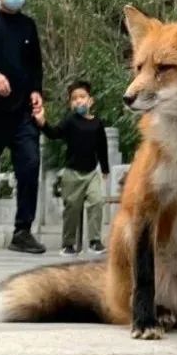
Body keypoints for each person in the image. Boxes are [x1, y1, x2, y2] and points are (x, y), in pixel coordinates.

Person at [0, 0, 47, 255]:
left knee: (30, 165)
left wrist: (36, 91)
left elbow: (35, 65)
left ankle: (23, 231)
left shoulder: (28, 26)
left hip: (22, 112)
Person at [33, 79, 110, 257]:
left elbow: (102, 147)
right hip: (72, 173)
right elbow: (54, 133)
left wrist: (105, 169)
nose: (79, 101)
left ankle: (94, 241)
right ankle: (68, 244)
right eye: (74, 99)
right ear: (70, 103)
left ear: (91, 100)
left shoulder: (97, 124)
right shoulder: (70, 121)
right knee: (72, 209)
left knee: (97, 201)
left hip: (91, 173)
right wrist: (42, 123)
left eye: (82, 97)